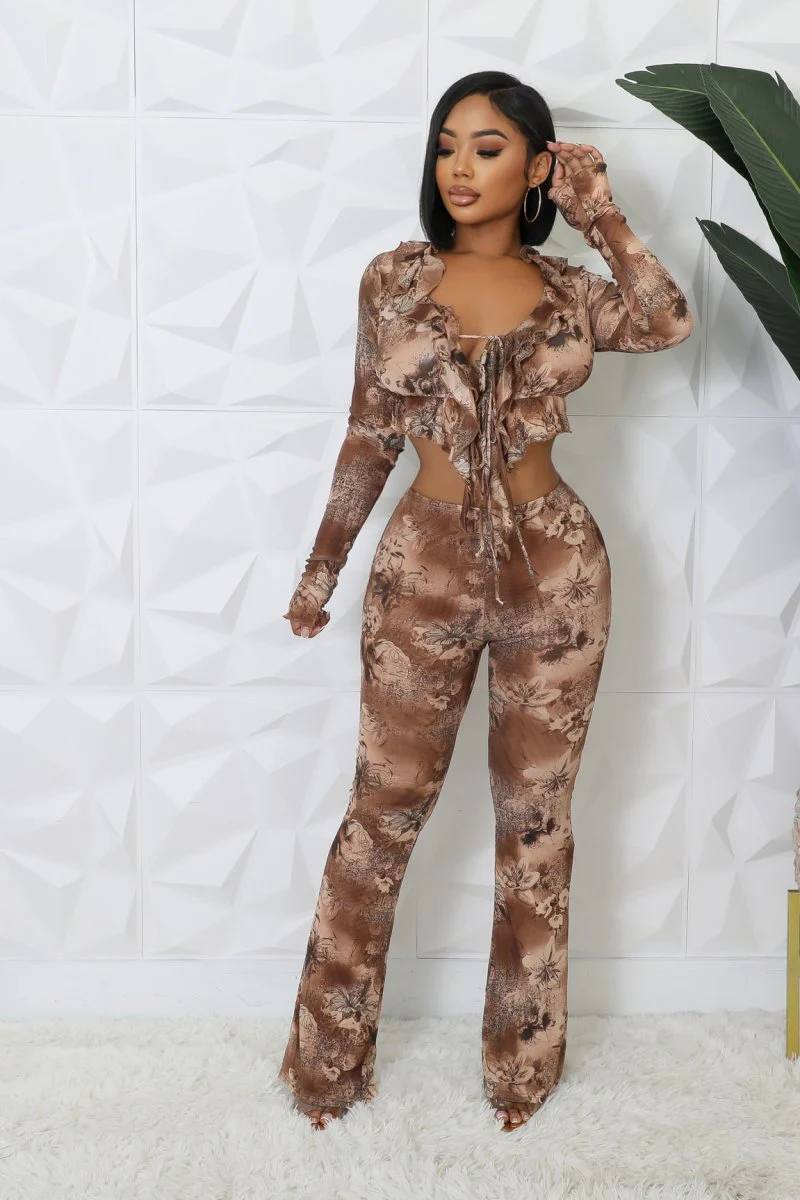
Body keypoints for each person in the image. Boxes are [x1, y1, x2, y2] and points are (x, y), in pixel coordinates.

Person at [278, 70, 694, 1133]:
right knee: (380, 816)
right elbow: (368, 432)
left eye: (489, 147)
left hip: (556, 576)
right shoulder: (392, 279)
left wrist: (600, 212)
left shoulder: (571, 289)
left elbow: (665, 321)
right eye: (446, 146)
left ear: (537, 165)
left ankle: (521, 1074)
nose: (460, 167)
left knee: (535, 827)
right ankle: (325, 1068)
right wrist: (322, 570)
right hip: (420, 571)